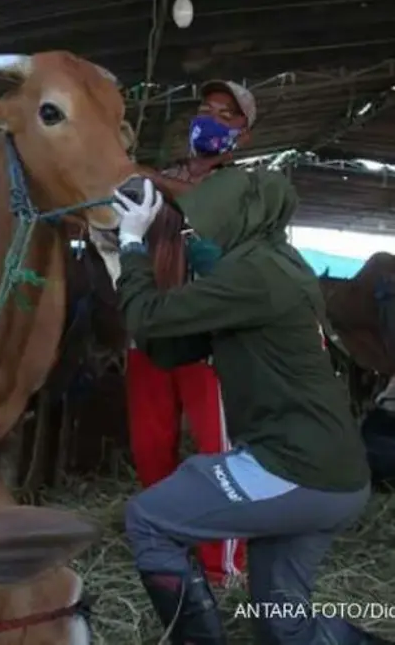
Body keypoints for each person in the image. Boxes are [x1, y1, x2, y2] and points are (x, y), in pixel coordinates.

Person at [110, 120, 384, 642]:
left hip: (295, 467)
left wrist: (130, 245)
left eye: (209, 220)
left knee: (149, 519)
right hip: (334, 475)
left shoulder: (253, 274)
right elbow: (170, 344)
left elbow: (147, 318)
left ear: (237, 218)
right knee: (284, 626)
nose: (200, 230)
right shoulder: (278, 264)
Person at [125, 81, 256, 587]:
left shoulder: (248, 187)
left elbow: (206, 205)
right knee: (150, 447)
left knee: (216, 454)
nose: (213, 120)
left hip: (211, 340)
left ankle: (222, 568)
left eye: (228, 116)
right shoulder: (161, 177)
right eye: (207, 110)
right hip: (151, 335)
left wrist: (137, 174)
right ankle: (165, 547)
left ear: (243, 137)